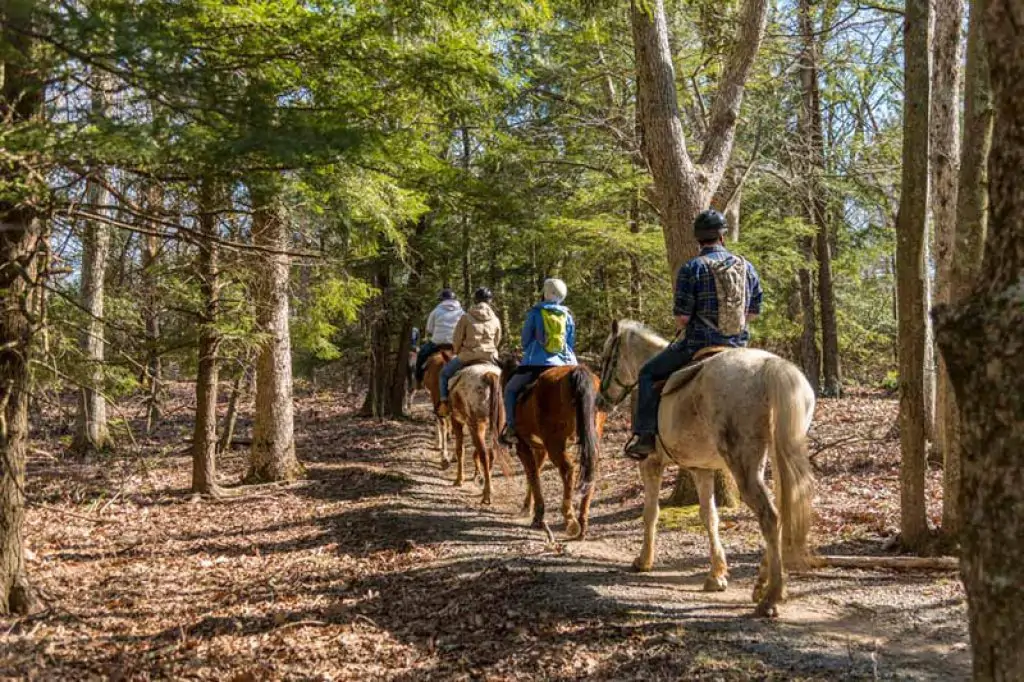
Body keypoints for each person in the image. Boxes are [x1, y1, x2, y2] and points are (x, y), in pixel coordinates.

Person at [624, 209, 763, 460]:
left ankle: (645, 437)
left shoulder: (692, 268)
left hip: (698, 344)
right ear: (723, 236)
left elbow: (683, 318)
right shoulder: (747, 267)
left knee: (647, 373)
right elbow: (753, 313)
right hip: (739, 345)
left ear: (698, 239)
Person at [498, 278, 577, 445]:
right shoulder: (567, 315)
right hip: (565, 362)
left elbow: (526, 340)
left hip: (536, 363)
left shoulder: (535, 313)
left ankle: (511, 428)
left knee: (510, 390)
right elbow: (570, 341)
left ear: (545, 293)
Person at [437, 288, 502, 414]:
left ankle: (444, 404)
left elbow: (457, 339)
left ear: (475, 300)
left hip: (468, 356)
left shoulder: (466, 317)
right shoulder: (496, 319)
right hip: (490, 357)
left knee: (444, 375)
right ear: (490, 301)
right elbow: (497, 341)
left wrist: (456, 351)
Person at [415, 289, 464, 386]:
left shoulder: (435, 311)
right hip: (456, 344)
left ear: (441, 300)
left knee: (421, 355)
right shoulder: (461, 312)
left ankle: (418, 380)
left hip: (438, 343)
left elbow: (429, 329)